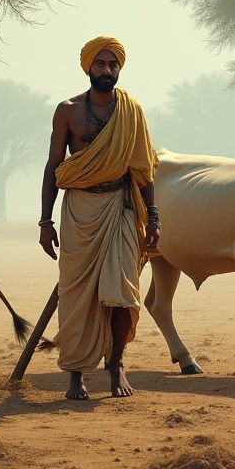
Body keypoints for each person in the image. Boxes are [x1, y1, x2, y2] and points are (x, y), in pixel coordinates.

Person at [38, 36, 160, 400]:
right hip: (79, 211)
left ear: (119, 69)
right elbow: (53, 166)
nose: (107, 70)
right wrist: (45, 223)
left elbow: (144, 170)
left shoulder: (132, 110)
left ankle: (117, 363)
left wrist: (153, 218)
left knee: (123, 293)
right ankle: (76, 373)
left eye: (114, 65)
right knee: (75, 295)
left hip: (122, 208)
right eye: (101, 64)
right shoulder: (67, 111)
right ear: (88, 67)